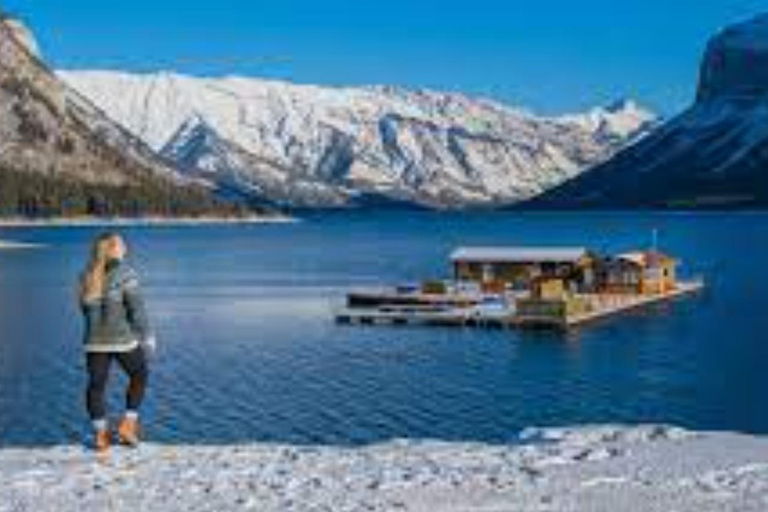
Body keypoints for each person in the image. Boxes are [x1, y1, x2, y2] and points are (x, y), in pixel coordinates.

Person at [79, 232, 156, 453]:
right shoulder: (126, 274)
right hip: (122, 339)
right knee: (140, 374)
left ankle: (101, 435)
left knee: (96, 387)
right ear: (113, 249)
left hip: (93, 341)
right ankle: (128, 425)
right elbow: (137, 310)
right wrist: (147, 336)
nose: (125, 246)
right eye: (122, 244)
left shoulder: (85, 275)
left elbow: (84, 309)